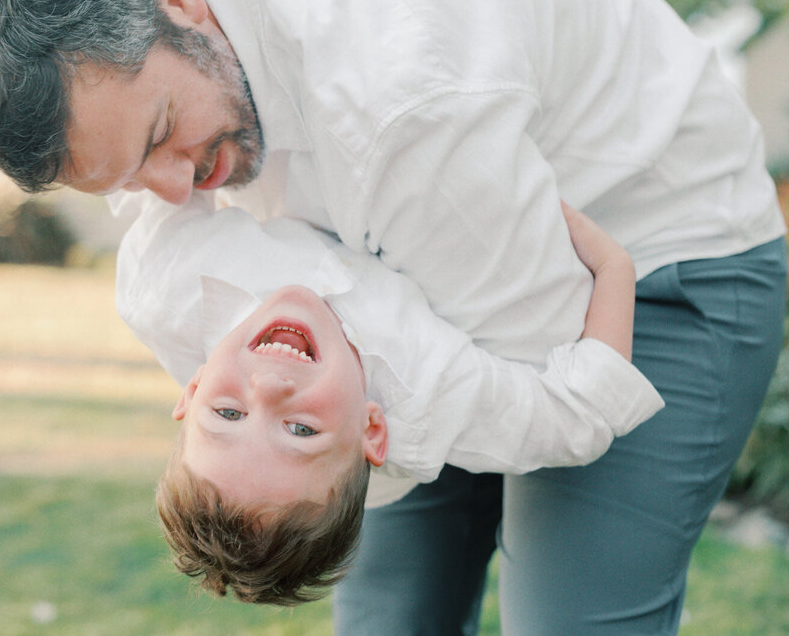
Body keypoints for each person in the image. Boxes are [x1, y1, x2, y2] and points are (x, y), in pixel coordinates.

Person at [0, 0, 789, 636]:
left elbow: (547, 400)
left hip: (650, 264)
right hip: (403, 278)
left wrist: (369, 423)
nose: (179, 194)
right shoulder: (134, 1)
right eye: (124, 178)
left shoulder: (404, 95)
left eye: (161, 137)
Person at [157, 200, 659, 606]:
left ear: (194, 389)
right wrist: (614, 266)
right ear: (372, 429)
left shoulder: (166, 286)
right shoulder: (430, 391)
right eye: (300, 430)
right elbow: (579, 420)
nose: (267, 388)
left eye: (227, 414)